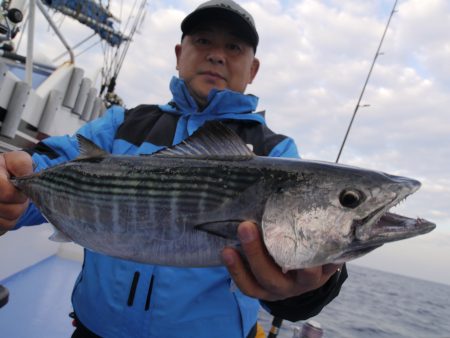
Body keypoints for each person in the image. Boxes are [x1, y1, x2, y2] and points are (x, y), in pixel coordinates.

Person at [0, 1, 347, 337]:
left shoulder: (276, 155)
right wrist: (11, 190)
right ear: (180, 54)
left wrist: (311, 286)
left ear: (253, 69)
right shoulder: (121, 126)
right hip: (94, 330)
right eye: (203, 41)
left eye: (235, 47)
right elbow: (47, 172)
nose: (216, 54)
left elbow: (292, 277)